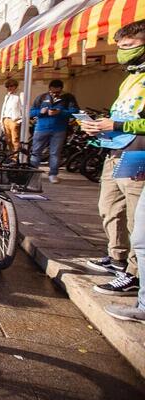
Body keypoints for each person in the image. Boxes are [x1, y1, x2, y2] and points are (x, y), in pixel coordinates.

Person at [81, 20, 145, 315]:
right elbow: (121, 112)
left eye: (128, 47)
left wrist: (116, 124)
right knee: (109, 208)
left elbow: (135, 121)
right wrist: (99, 127)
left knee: (137, 219)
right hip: (114, 149)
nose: (121, 53)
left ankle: (132, 274)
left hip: (138, 153)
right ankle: (116, 257)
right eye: (119, 47)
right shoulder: (130, 78)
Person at [29, 79, 79, 183]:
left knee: (55, 153)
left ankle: (53, 174)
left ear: (61, 89)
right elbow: (31, 112)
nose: (55, 94)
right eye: (52, 92)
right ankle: (32, 173)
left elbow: (75, 111)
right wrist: (40, 112)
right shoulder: (42, 97)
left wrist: (60, 112)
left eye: (57, 92)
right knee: (36, 151)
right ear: (49, 89)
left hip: (59, 129)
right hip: (41, 128)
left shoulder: (68, 97)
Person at [0, 79, 24, 154]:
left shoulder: (20, 94)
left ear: (16, 86)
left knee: (15, 140)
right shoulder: (7, 96)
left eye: (11, 86)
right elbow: (4, 108)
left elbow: (24, 107)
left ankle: (16, 158)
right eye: (7, 86)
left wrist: (20, 119)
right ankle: (12, 155)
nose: (9, 88)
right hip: (6, 119)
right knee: (8, 140)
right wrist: (1, 119)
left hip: (14, 119)